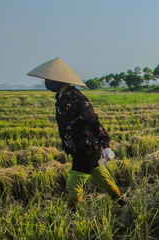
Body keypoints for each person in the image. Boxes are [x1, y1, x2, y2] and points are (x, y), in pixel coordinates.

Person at [27, 57, 127, 211]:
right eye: (46, 79)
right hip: (77, 148)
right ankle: (124, 205)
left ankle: (72, 216)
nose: (47, 82)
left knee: (73, 185)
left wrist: (106, 145)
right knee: (104, 181)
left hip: (87, 148)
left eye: (50, 79)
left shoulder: (77, 99)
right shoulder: (61, 98)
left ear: (60, 80)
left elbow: (94, 121)